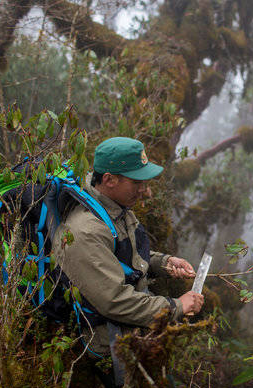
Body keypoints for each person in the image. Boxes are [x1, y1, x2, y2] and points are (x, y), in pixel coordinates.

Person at [52, 136, 205, 359]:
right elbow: (114, 301)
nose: (146, 190)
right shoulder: (85, 231)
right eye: (137, 182)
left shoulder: (113, 206)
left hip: (129, 327)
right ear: (109, 179)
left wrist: (163, 263)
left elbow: (120, 257)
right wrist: (176, 307)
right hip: (107, 344)